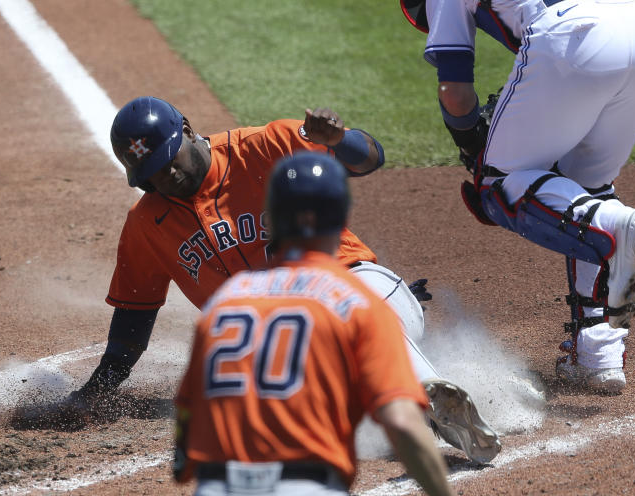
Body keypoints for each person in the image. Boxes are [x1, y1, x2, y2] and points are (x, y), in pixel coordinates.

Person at [63, 95, 501, 463]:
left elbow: (370, 158)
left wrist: (339, 140)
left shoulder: (266, 145)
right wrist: (93, 392)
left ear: (188, 130)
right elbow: (131, 326)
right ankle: (423, 409)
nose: (165, 177)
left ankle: (426, 395)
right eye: (150, 176)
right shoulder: (147, 226)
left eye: (167, 161)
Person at [401, 0, 635, 393]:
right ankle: (598, 353)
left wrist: (469, 143)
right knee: (584, 187)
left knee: (499, 187)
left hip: (569, 38)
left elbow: (456, 90)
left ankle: (610, 229)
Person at [172, 152, 452, 496]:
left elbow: (188, 419)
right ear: (341, 216)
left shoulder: (224, 302)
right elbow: (402, 423)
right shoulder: (355, 303)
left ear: (271, 217)